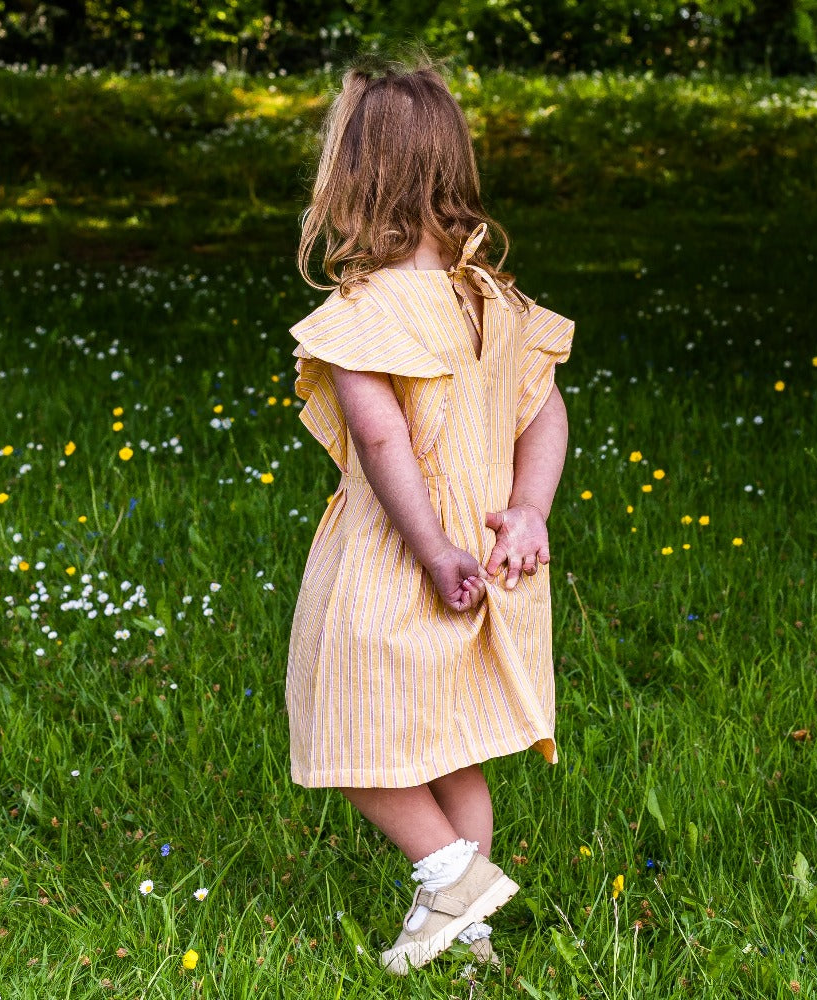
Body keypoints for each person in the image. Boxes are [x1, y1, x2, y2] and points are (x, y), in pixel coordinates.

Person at [286, 54, 573, 976]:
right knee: (453, 746)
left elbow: (380, 442)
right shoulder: (494, 300)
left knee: (352, 736)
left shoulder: (364, 309)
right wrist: (527, 510)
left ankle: (450, 877)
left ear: (351, 177)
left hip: (401, 561)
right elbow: (546, 408)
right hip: (490, 557)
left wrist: (431, 548)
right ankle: (466, 932)